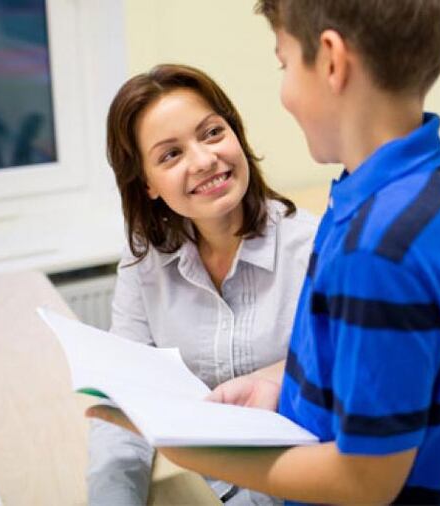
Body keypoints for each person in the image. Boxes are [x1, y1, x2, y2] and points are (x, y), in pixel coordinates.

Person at [89, 1, 440, 504]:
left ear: (331, 62)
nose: (284, 95)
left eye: (283, 63)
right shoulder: (398, 191)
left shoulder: (378, 245)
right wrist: (279, 385)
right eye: (170, 153)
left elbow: (364, 480)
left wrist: (189, 446)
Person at [87, 63, 317, 505]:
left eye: (212, 133)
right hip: (196, 487)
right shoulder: (145, 260)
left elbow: (333, 424)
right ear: (148, 184)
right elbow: (123, 409)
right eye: (170, 154)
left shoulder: (316, 251)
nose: (204, 159)